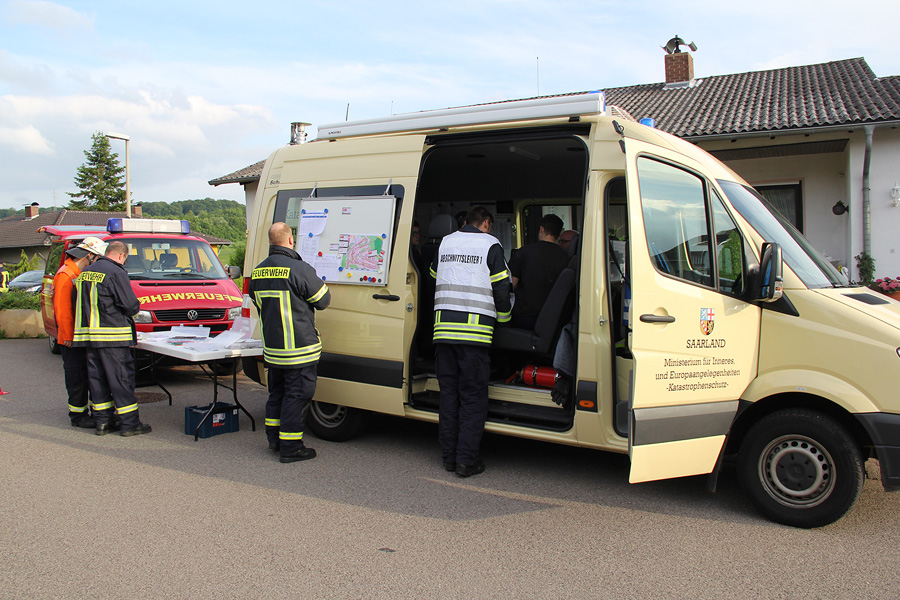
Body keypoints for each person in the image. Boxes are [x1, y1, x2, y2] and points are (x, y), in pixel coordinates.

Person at [430, 206, 512, 477]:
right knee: (472, 398)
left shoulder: (445, 242)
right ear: (486, 223)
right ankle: (466, 461)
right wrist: (504, 320)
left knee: (449, 397)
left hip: (443, 332)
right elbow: (502, 288)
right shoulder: (491, 245)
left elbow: (433, 277)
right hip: (474, 336)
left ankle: (449, 458)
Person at [249, 222, 331, 463]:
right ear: (290, 240)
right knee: (296, 397)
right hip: (299, 350)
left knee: (277, 394)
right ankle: (291, 447)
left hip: (273, 350)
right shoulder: (299, 269)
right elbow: (323, 300)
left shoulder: (258, 272)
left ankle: (274, 440)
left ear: (271, 241)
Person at [72, 240, 151, 437]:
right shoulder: (116, 272)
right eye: (125, 259)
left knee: (97, 380)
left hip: (89, 337)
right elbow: (130, 305)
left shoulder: (84, 273)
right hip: (113, 337)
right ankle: (129, 424)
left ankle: (103, 422)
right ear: (121, 255)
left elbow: (76, 303)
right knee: (121, 380)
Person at [53, 236, 107, 428]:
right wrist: (67, 336)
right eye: (97, 258)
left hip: (79, 336)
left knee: (85, 375)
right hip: (70, 338)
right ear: (89, 256)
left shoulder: (76, 273)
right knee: (76, 377)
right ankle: (78, 416)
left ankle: (88, 412)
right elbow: (62, 310)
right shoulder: (66, 274)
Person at [508, 214, 569, 330]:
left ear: (541, 229)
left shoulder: (523, 253)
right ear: (558, 234)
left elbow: (512, 283)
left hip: (524, 317)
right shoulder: (565, 257)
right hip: (554, 318)